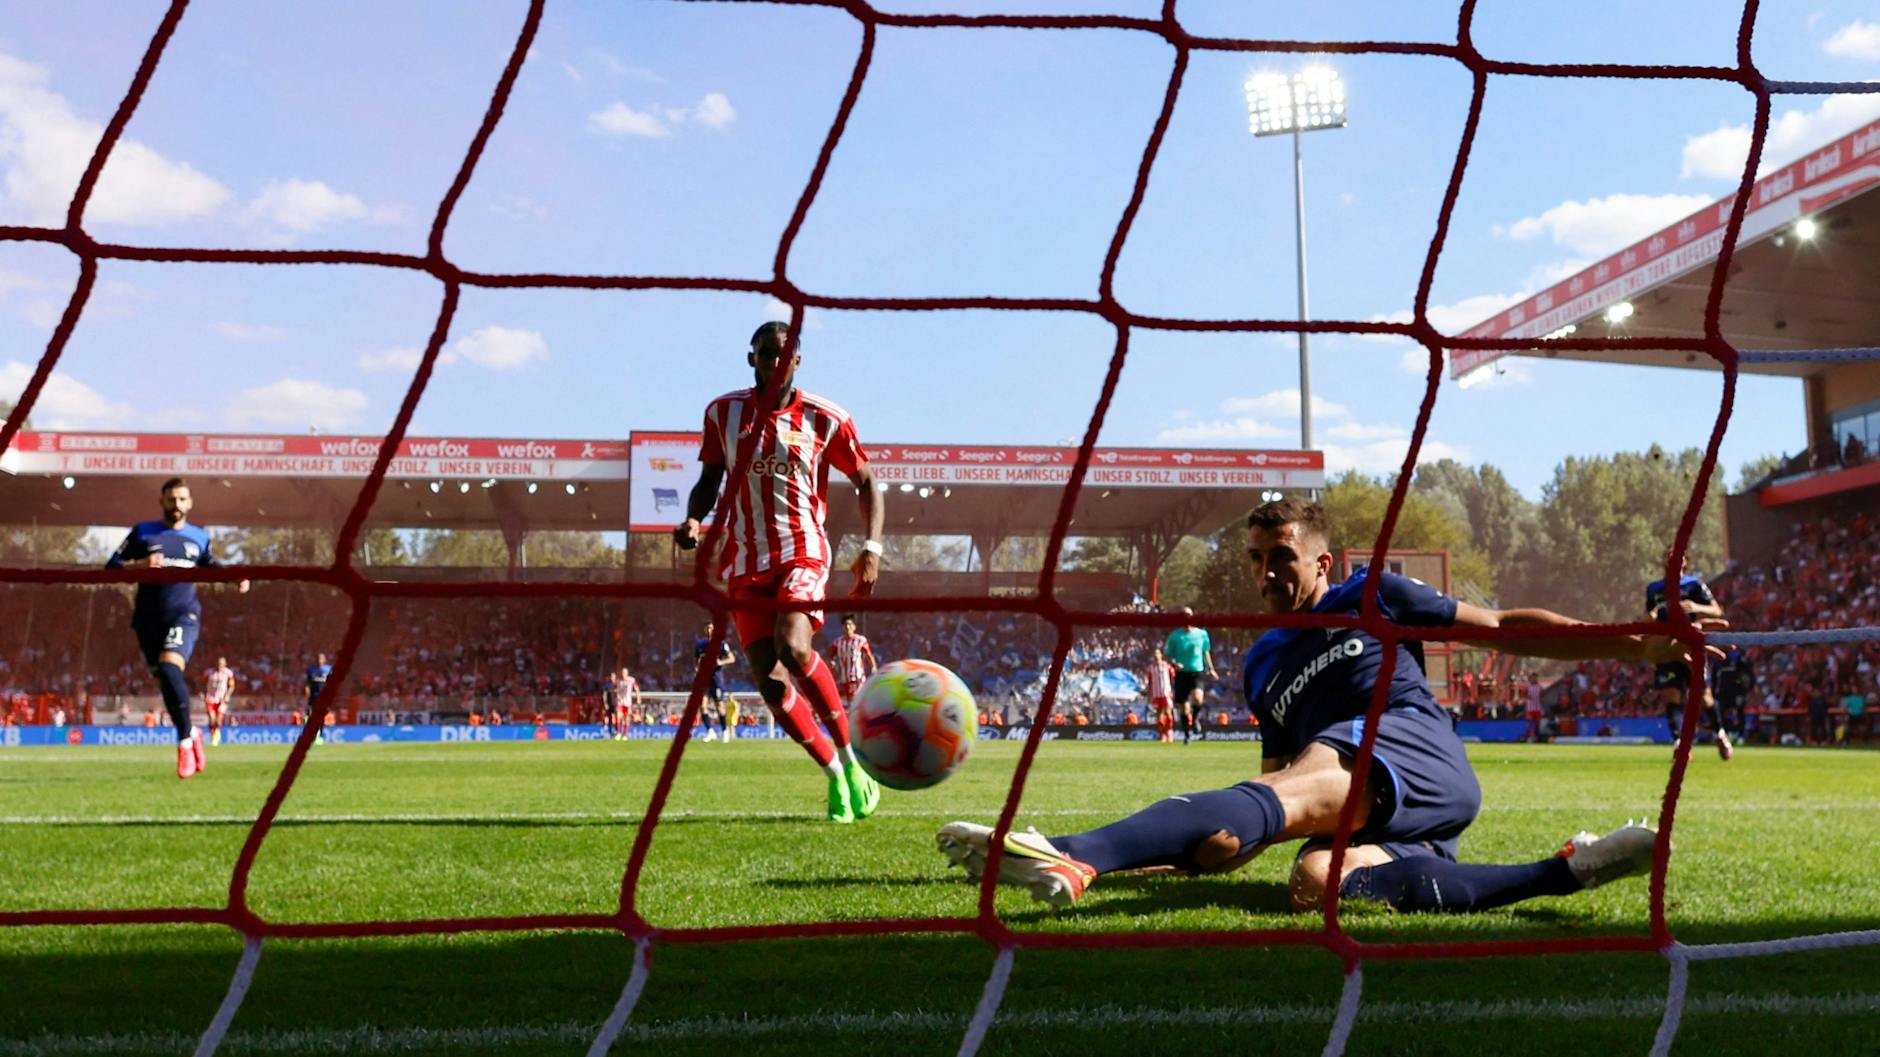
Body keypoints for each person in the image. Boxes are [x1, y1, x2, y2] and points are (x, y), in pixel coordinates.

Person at [938, 497, 1700, 913]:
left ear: (1322, 562)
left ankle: (1075, 851)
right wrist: (1197, 851)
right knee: (1316, 881)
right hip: (1376, 813)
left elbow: (1501, 626)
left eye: (1282, 558)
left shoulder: (1372, 596)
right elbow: (1271, 796)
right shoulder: (1262, 664)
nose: (1266, 573)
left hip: (1412, 752)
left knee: (1310, 771)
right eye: (1255, 559)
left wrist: (1634, 643)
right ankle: (1563, 872)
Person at [674, 321, 886, 823]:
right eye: (765, 354)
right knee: (770, 685)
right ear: (752, 358)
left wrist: (872, 547)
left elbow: (866, 481)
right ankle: (835, 774)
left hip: (802, 551)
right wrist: (692, 518)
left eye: (783, 354)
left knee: (793, 646)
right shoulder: (722, 413)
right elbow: (709, 479)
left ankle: (853, 760)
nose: (774, 363)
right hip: (745, 561)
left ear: (797, 361)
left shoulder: (826, 418)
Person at [106, 477, 248, 779]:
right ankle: (192, 733)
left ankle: (183, 742)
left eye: (182, 499)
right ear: (162, 502)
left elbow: (210, 564)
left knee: (170, 669)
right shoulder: (143, 532)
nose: (177, 504)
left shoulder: (199, 536)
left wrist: (233, 576)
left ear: (190, 503)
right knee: (166, 683)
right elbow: (111, 566)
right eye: (171, 499)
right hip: (147, 619)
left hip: (184, 614)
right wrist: (139, 565)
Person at [1647, 557, 1734, 760]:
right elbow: (1648, 614)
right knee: (1672, 694)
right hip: (1666, 647)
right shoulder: (1654, 589)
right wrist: (1651, 619)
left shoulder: (1694, 584)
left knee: (1704, 697)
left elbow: (1717, 610)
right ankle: (1680, 745)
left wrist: (1695, 607)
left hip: (1691, 645)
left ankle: (1720, 735)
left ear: (1685, 562)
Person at [1164, 607, 1216, 744]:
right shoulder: (1175, 635)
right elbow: (1167, 655)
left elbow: (1206, 652)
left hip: (1196, 672)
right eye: (1184, 615)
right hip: (1181, 674)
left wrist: (1211, 668)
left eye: (1188, 615)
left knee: (1198, 699)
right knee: (1184, 708)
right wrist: (1175, 663)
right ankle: (1187, 735)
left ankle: (1196, 718)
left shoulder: (1201, 634)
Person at [827, 614, 878, 704]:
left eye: (850, 624)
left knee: (856, 701)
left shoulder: (860, 640)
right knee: (851, 702)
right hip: (845, 678)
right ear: (842, 627)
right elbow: (831, 656)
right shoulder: (837, 642)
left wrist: (873, 667)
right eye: (845, 625)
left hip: (858, 677)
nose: (847, 627)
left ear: (854, 627)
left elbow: (868, 654)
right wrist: (831, 662)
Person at [1146, 645, 1176, 743]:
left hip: (1166, 693)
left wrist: (1173, 691)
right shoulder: (1150, 668)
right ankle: (1162, 734)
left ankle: (1169, 732)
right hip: (1156, 694)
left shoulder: (1167, 666)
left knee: (1168, 713)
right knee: (1159, 714)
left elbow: (1173, 678)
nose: (1156, 655)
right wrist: (1149, 694)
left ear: (1161, 655)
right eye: (1154, 654)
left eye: (1157, 653)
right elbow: (1149, 682)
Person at [204, 656, 236, 747]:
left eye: (222, 664)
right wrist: (202, 693)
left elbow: (232, 686)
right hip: (210, 698)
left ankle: (216, 734)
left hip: (222, 699)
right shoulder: (209, 673)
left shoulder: (228, 673)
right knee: (212, 718)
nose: (220, 666)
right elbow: (202, 683)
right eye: (218, 664)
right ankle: (214, 735)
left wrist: (228, 695)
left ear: (225, 664)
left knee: (218, 720)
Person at [305, 652, 332, 744]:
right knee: (309, 716)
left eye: (321, 659)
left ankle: (320, 735)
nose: (319, 661)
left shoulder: (328, 669)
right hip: (313, 697)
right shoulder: (311, 670)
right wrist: (307, 691)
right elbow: (307, 683)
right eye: (318, 659)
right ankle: (311, 735)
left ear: (324, 660)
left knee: (321, 716)